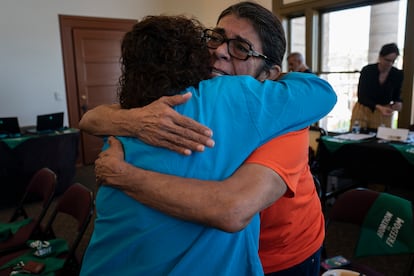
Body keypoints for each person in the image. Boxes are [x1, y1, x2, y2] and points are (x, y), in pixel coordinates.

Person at [80, 2, 335, 275]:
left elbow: (231, 209)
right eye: (216, 37)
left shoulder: (283, 118)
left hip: (282, 251)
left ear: (270, 74)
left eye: (240, 48)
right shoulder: (183, 99)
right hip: (224, 252)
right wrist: (132, 120)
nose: (220, 51)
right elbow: (91, 118)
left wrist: (123, 175)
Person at [350, 42, 404, 131]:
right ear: (380, 57)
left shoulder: (397, 74)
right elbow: (362, 96)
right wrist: (378, 107)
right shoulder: (367, 71)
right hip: (363, 109)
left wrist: (398, 103)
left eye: (393, 61)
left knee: (381, 139)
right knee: (357, 137)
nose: (390, 64)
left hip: (383, 112)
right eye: (387, 60)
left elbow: (397, 95)